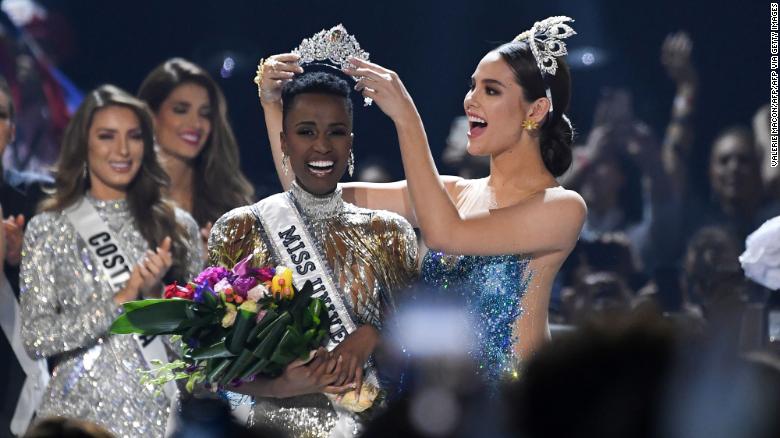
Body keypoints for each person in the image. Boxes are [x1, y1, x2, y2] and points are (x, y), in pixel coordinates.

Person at [257, 17, 586, 383]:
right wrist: (273, 104)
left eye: (491, 91)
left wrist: (407, 118)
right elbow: (311, 197)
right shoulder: (453, 193)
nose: (470, 100)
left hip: (509, 408)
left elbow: (447, 234)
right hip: (431, 402)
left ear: (535, 111)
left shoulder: (562, 207)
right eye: (472, 86)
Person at [209, 71, 418, 437]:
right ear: (284, 141)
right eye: (306, 131)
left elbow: (417, 352)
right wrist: (281, 385)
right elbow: (209, 365)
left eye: (335, 132)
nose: (322, 146)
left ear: (350, 141)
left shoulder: (389, 233)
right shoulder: (241, 228)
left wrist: (371, 335)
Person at [19, 85, 204, 437]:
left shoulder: (178, 227)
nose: (122, 150)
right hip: (75, 421)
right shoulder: (48, 227)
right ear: (83, 146)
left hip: (162, 421)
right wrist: (122, 300)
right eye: (107, 136)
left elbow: (200, 349)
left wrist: (154, 298)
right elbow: (37, 338)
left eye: (133, 137)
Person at [137, 58, 255, 243]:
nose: (196, 124)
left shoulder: (230, 202)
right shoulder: (127, 196)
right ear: (151, 117)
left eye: (205, 114)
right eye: (181, 110)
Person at [0, 75, 51, 438]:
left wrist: (22, 257)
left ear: (12, 130)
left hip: (20, 388)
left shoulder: (39, 197)